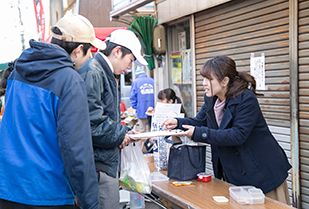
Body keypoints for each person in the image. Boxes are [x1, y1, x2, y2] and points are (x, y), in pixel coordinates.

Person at [0, 14, 106, 209]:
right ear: (78, 50)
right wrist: (90, 203)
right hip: (47, 193)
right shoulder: (69, 80)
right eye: (89, 51)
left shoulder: (17, 72)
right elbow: (75, 149)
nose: (91, 57)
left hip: (8, 188)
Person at [162, 56, 292, 204]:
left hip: (261, 171)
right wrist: (177, 122)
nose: (204, 83)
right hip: (236, 171)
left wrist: (198, 133)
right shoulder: (211, 98)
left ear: (224, 81)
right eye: (203, 78)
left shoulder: (245, 99)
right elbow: (200, 121)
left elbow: (237, 135)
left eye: (208, 79)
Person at [77, 29, 147, 209]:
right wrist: (121, 134)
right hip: (97, 166)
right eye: (130, 60)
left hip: (101, 163)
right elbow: (91, 122)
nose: (130, 67)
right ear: (117, 52)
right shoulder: (95, 72)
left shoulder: (103, 72)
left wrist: (122, 132)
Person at [130, 66, 154, 133]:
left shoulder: (135, 82)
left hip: (141, 110)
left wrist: (135, 107)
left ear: (137, 75)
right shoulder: (152, 81)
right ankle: (151, 143)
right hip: (152, 110)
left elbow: (132, 96)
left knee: (142, 131)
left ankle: (143, 143)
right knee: (152, 131)